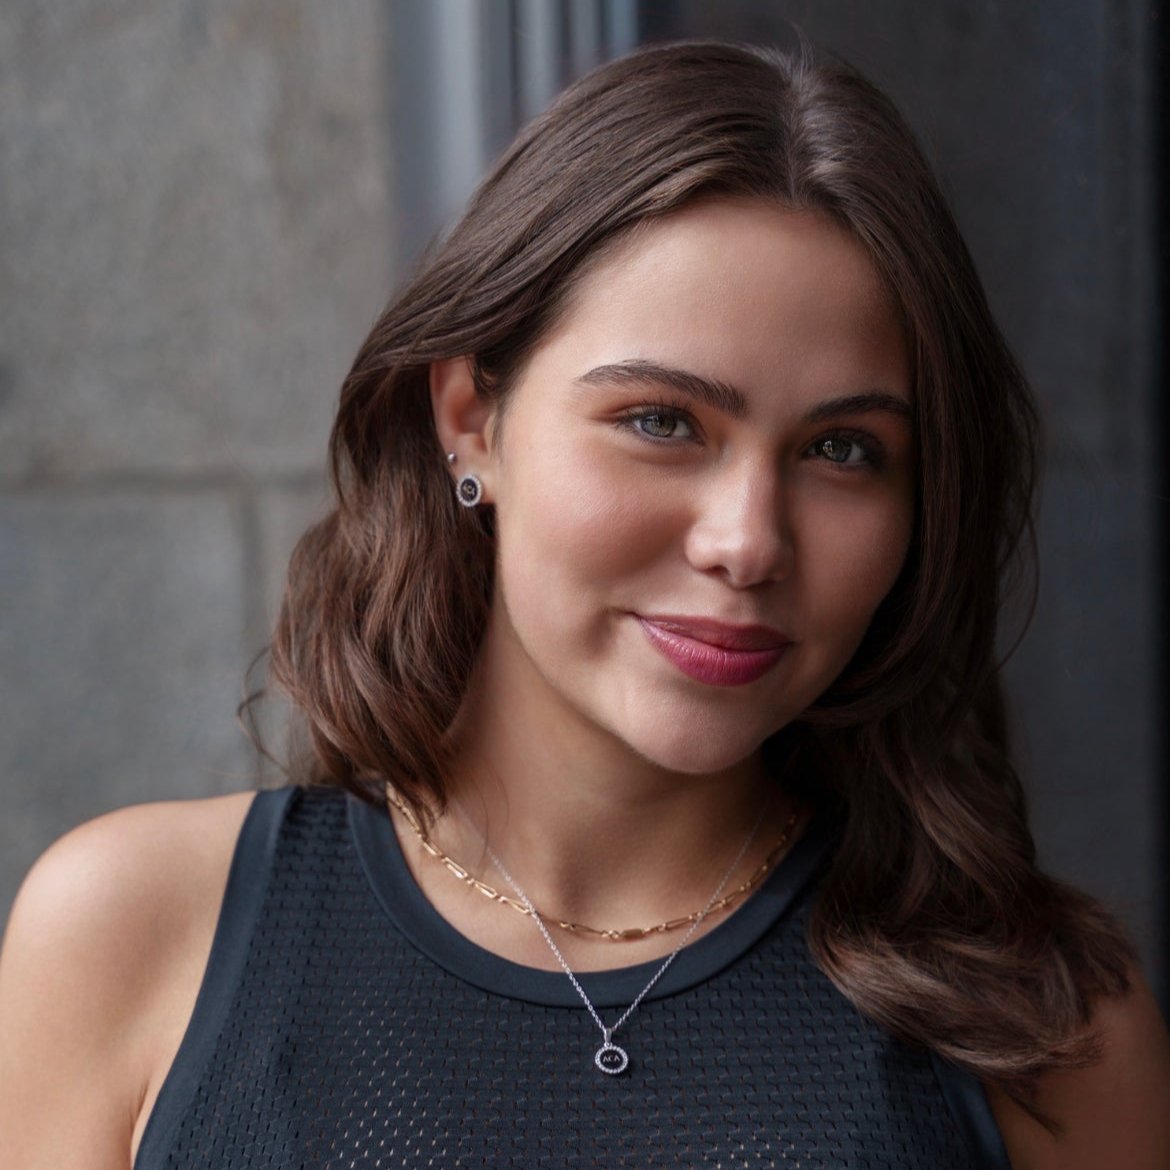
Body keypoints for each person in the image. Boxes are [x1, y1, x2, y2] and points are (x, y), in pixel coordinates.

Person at [1, 39, 1167, 1170]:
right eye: (663, 422)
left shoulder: (1049, 1035)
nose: (747, 541)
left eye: (843, 449)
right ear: (470, 419)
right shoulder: (135, 934)